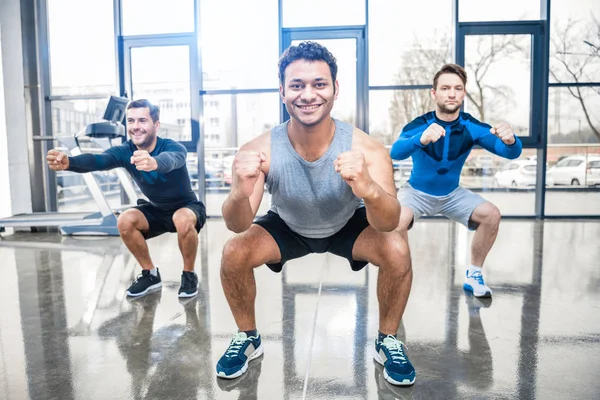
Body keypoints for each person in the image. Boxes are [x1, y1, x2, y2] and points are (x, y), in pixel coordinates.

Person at [214, 41, 415, 386]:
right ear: (282, 91)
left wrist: (366, 188)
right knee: (234, 251)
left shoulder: (367, 148)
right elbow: (238, 223)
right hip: (288, 224)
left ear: (335, 90)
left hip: (345, 224)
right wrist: (237, 190)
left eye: (319, 84)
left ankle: (388, 340)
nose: (308, 95)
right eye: (297, 85)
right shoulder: (259, 149)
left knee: (397, 247)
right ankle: (248, 337)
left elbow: (387, 221)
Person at [46, 99, 206, 298]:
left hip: (187, 207)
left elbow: (173, 160)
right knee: (125, 220)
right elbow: (99, 160)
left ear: (156, 125)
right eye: (131, 121)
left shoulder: (172, 147)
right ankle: (150, 274)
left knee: (181, 218)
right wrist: (69, 162)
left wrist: (154, 162)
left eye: (142, 120)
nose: (136, 127)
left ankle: (189, 275)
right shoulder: (125, 150)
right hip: (156, 209)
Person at [390, 63, 523, 298]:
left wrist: (512, 141)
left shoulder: (470, 125)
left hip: (452, 195)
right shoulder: (419, 124)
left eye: (458, 88)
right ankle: (399, 275)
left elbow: (509, 152)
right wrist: (420, 138)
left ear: (463, 93)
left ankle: (474, 275)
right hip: (416, 193)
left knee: (491, 215)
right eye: (445, 88)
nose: (451, 93)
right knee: (396, 220)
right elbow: (396, 152)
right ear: (434, 93)